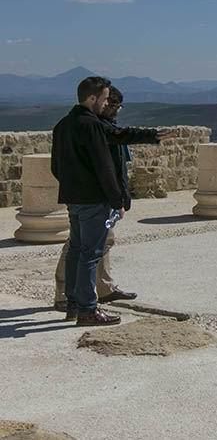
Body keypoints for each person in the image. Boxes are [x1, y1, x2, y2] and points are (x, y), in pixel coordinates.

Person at [50, 77, 174, 326]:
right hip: (95, 200)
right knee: (90, 253)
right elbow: (104, 166)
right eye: (105, 99)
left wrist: (151, 136)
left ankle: (73, 303)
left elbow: (57, 167)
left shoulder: (63, 125)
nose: (107, 103)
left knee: (76, 249)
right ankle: (87, 309)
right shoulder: (92, 126)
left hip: (73, 198)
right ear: (92, 98)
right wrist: (116, 199)